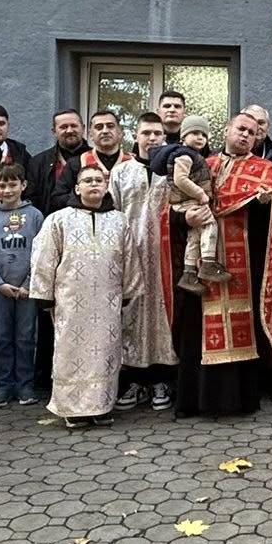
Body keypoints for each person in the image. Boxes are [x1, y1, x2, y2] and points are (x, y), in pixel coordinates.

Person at [170, 111, 272, 417]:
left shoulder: (266, 170)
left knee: (240, 326)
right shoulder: (203, 165)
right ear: (227, 130)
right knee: (197, 327)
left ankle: (237, 400)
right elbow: (170, 209)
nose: (246, 135)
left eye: (252, 131)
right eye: (241, 129)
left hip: (242, 263)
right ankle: (195, 400)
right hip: (199, 263)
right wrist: (185, 217)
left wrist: (267, 203)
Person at [31, 163, 143, 428]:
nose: (94, 184)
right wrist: (43, 294)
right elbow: (44, 257)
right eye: (88, 180)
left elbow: (130, 257)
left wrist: (129, 290)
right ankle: (72, 408)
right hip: (70, 301)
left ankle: (102, 406)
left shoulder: (119, 220)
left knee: (106, 351)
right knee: (70, 351)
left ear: (106, 187)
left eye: (99, 180)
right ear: (77, 187)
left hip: (108, 300)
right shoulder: (59, 219)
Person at [115, 113, 177, 411]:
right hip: (132, 255)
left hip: (165, 257)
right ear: (135, 137)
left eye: (157, 133)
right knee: (131, 316)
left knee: (163, 318)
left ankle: (161, 379)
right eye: (146, 133)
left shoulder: (175, 171)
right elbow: (112, 215)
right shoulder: (121, 173)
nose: (152, 138)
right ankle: (134, 381)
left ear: (165, 138)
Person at [0, 163, 43, 408]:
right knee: (2, 338)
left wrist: (29, 283)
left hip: (28, 290)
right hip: (0, 290)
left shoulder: (35, 215)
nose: (7, 189)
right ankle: (3, 386)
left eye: (13, 184)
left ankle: (25, 385)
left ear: (23, 185)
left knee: (26, 337)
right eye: (1, 184)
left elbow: (41, 252)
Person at [153, 115, 226, 292]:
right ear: (183, 137)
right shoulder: (184, 155)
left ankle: (189, 273)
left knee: (194, 237)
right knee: (210, 225)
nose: (200, 137)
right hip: (188, 201)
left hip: (187, 201)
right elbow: (180, 179)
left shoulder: (191, 154)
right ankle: (208, 263)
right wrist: (201, 194)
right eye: (194, 133)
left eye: (203, 134)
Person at [81, 109, 131, 173]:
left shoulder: (134, 162)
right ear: (91, 135)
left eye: (110, 126)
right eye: (99, 127)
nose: (105, 131)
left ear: (120, 132)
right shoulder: (78, 163)